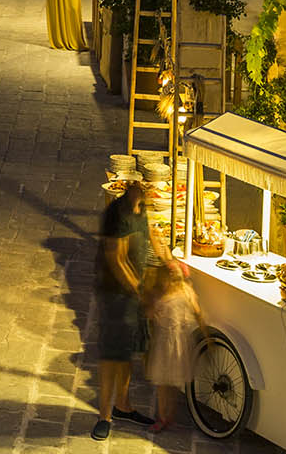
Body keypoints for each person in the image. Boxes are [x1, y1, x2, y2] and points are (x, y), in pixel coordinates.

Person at [92, 181, 157, 439]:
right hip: (115, 297)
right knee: (112, 355)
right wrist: (139, 292)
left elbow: (152, 233)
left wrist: (170, 261)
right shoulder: (116, 214)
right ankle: (104, 416)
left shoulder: (141, 209)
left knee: (127, 353)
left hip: (134, 294)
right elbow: (116, 261)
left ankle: (123, 405)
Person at [142, 260, 207, 433]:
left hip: (165, 346)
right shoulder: (187, 292)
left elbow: (149, 314)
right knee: (171, 385)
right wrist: (205, 334)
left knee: (164, 385)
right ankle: (168, 415)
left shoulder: (162, 296)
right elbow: (198, 313)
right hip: (179, 345)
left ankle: (163, 417)